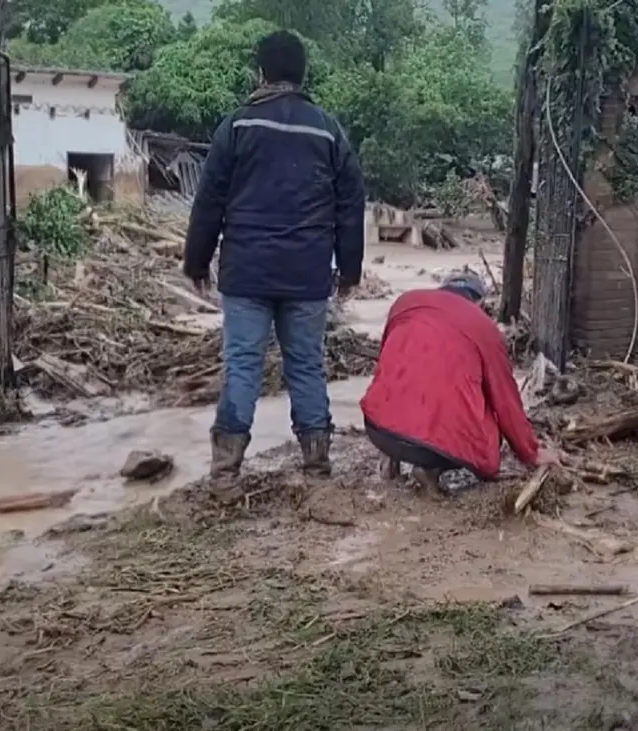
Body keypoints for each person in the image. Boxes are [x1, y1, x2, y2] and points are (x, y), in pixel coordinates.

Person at [183, 30, 365, 478]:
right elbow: (351, 201)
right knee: (305, 364)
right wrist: (350, 269)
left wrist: (196, 260)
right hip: (307, 273)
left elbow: (210, 199)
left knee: (242, 364)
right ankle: (317, 463)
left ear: (260, 72)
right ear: (302, 74)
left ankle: (225, 472)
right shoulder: (327, 128)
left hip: (246, 271)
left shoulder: (238, 126)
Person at [359, 271, 563, 492]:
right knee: (489, 435)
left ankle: (391, 459)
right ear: (479, 301)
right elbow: (506, 402)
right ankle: (430, 471)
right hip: (435, 448)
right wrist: (530, 452)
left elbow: (386, 365)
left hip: (377, 429)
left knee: (403, 381)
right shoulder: (485, 327)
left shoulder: (405, 303)